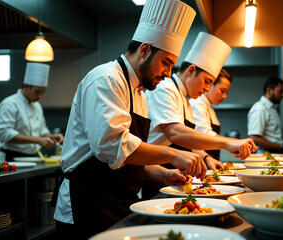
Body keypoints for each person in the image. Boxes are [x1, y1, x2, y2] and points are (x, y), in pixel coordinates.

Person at [52, 0, 201, 239]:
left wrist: (162, 174)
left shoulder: (140, 91)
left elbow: (126, 160)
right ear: (144, 51)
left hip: (120, 203)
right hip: (87, 205)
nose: (168, 73)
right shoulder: (106, 79)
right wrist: (173, 154)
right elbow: (112, 146)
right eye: (166, 62)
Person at [144, 32, 257, 199]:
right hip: (155, 172)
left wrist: (205, 156)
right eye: (207, 81)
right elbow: (175, 132)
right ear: (191, 70)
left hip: (172, 173)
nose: (206, 89)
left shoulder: (186, 100)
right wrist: (227, 143)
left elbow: (188, 139)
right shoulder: (165, 88)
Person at [0, 62, 64, 162]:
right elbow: (5, 133)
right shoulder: (9, 104)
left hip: (32, 158)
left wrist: (50, 137)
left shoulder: (37, 105)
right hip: (11, 158)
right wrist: (38, 140)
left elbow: (42, 128)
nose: (40, 96)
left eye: (43, 92)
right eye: (37, 91)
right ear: (26, 86)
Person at [189, 69, 232, 160]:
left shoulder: (209, 108)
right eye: (222, 90)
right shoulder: (197, 104)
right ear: (210, 85)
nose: (224, 96)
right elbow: (204, 135)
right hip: (202, 161)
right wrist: (234, 143)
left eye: (226, 93)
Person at [247, 76, 283, 154]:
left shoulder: (271, 108)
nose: (282, 95)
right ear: (269, 90)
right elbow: (254, 138)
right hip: (266, 153)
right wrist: (277, 146)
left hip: (273, 152)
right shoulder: (260, 108)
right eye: (280, 91)